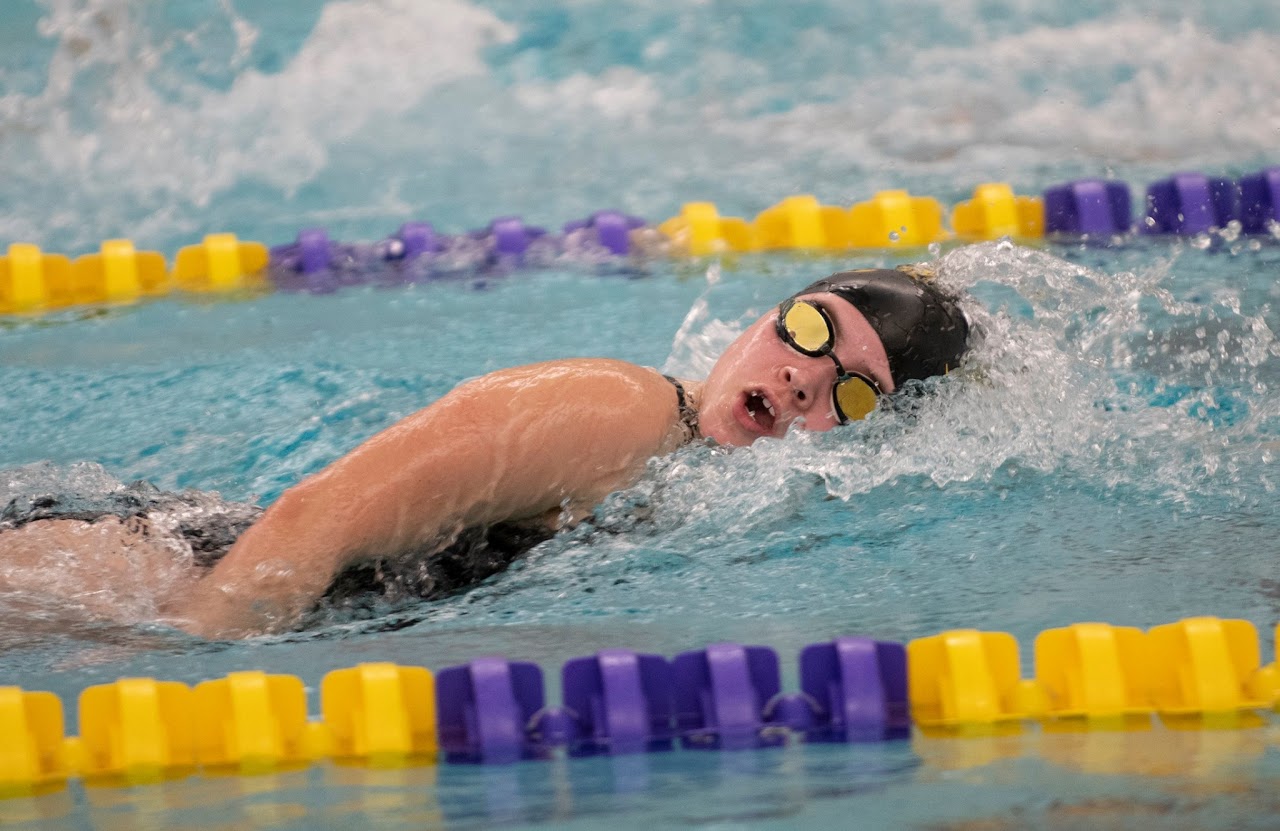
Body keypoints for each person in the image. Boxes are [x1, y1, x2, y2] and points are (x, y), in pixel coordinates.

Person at [0, 266, 970, 638]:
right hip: (147, 575)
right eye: (807, 327)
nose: (803, 375)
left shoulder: (692, 490)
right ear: (757, 319)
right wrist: (204, 641)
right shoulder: (617, 412)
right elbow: (318, 513)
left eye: (850, 388)